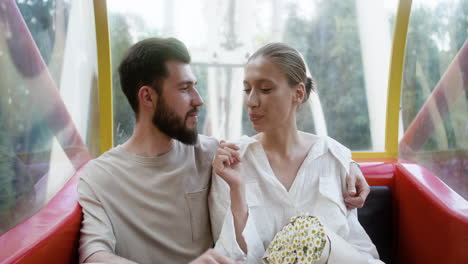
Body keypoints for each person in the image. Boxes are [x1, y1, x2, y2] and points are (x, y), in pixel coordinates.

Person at [77, 38, 369, 264]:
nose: (200, 100)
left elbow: (285, 148)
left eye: (196, 86)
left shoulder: (213, 153)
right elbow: (93, 256)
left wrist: (345, 162)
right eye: (185, 88)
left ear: (298, 93)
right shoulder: (99, 177)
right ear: (147, 96)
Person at [210, 43, 382, 263]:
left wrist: (350, 162)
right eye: (247, 90)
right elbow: (232, 259)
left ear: (298, 93)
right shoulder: (230, 163)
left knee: (309, 233)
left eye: (265, 90)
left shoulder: (334, 157)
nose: (251, 102)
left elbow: (359, 250)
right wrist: (236, 189)